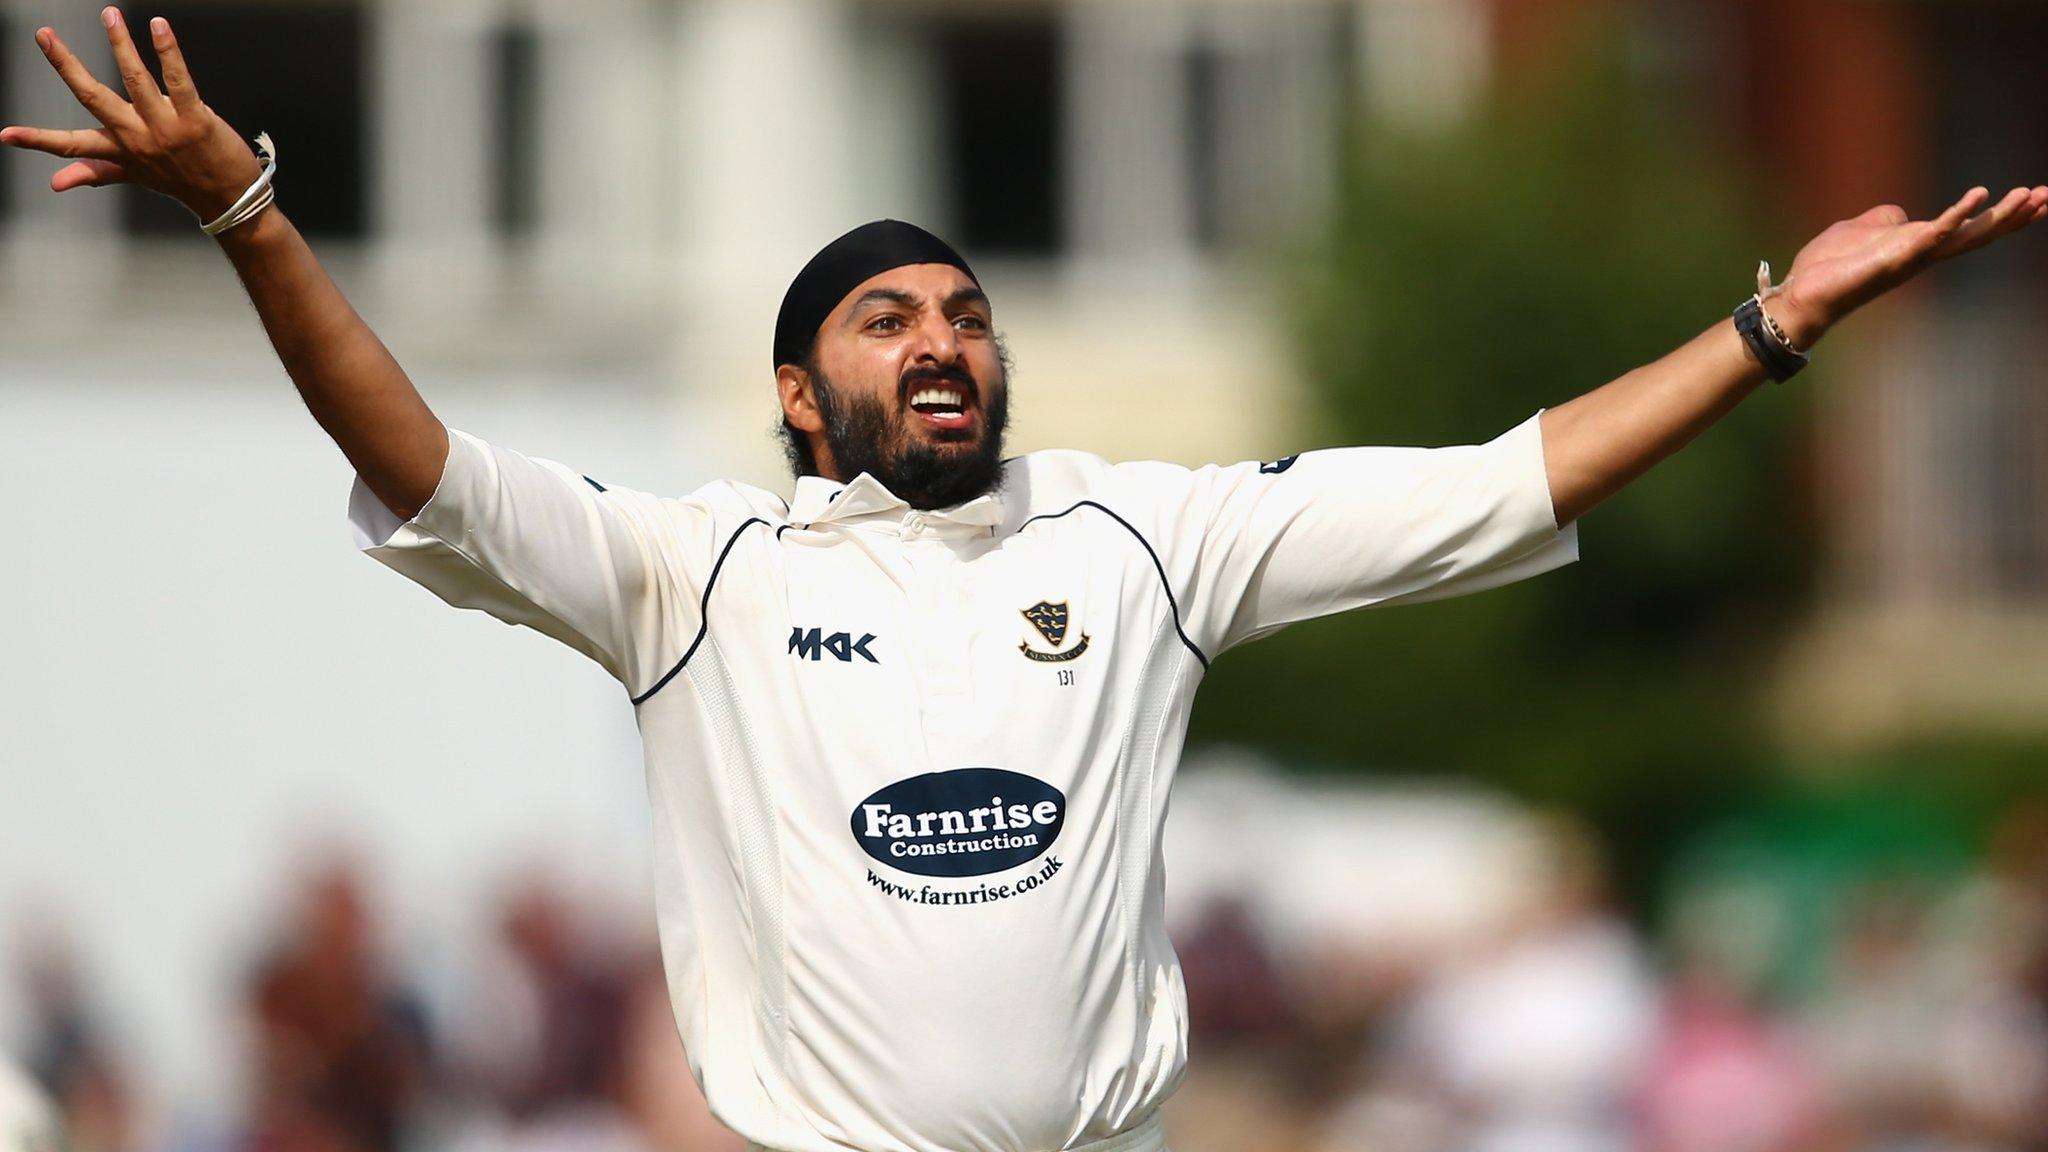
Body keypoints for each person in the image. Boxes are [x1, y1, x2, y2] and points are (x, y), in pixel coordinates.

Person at [4, 11, 2043, 1152]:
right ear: (804, 398)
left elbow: (1488, 480)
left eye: (965, 313)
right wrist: (254, 215)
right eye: (885, 320)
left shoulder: (1138, 535)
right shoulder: (688, 572)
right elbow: (416, 461)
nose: (943, 340)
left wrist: (1769, 328)